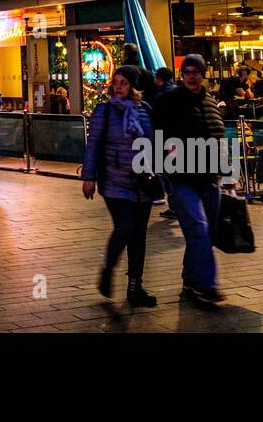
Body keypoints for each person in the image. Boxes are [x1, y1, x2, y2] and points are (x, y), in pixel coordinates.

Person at [151, 53, 226, 309]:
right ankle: (207, 285)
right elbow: (156, 136)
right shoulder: (168, 101)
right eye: (187, 72)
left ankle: (190, 279)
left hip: (209, 178)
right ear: (182, 75)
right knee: (199, 229)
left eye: (196, 71)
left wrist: (227, 174)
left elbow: (218, 139)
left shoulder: (210, 102)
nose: (192, 76)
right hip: (181, 178)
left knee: (206, 233)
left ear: (202, 74)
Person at [81, 66, 158, 307]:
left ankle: (135, 287)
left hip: (142, 182)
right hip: (114, 181)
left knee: (139, 235)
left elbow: (155, 142)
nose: (118, 86)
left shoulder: (145, 110)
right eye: (116, 82)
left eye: (123, 82)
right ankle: (108, 268)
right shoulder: (105, 111)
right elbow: (93, 144)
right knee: (125, 227)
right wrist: (89, 176)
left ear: (133, 86)